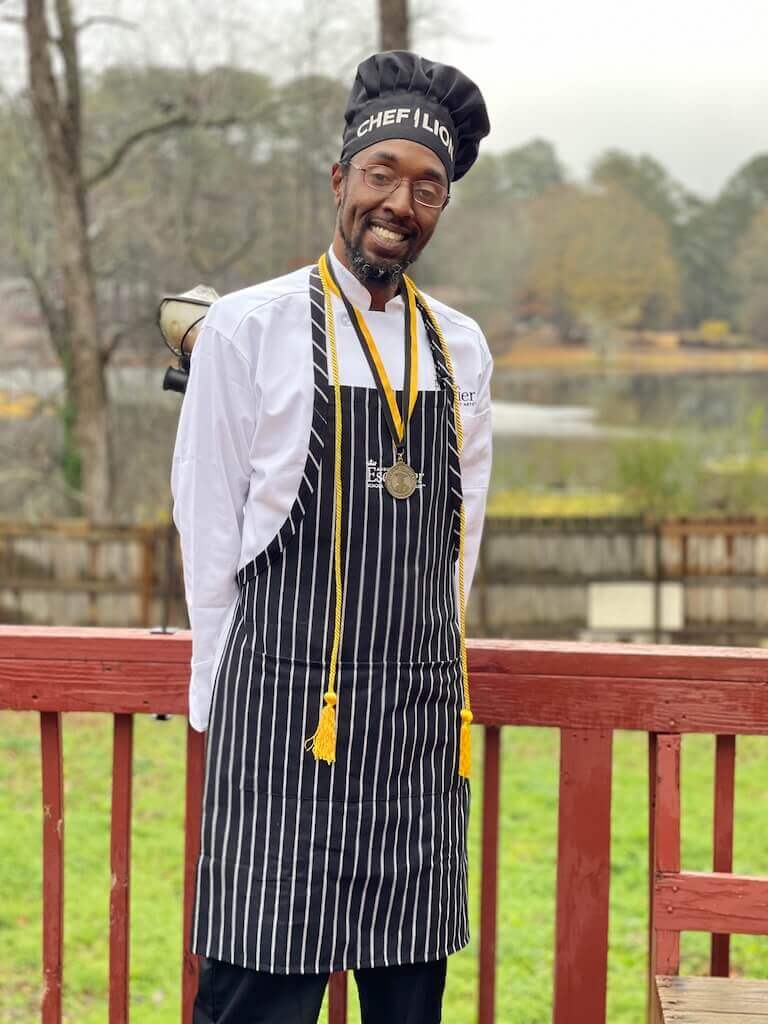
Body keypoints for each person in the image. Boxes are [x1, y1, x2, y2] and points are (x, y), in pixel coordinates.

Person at [171, 49, 492, 1024]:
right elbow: (207, 525)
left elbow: (461, 538)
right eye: (382, 174)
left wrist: (432, 668)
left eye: (427, 187)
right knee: (257, 998)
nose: (400, 203)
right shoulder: (247, 329)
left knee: (408, 997)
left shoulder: (461, 348)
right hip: (282, 722)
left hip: (414, 733)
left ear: (442, 206)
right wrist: (222, 701)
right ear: (340, 180)